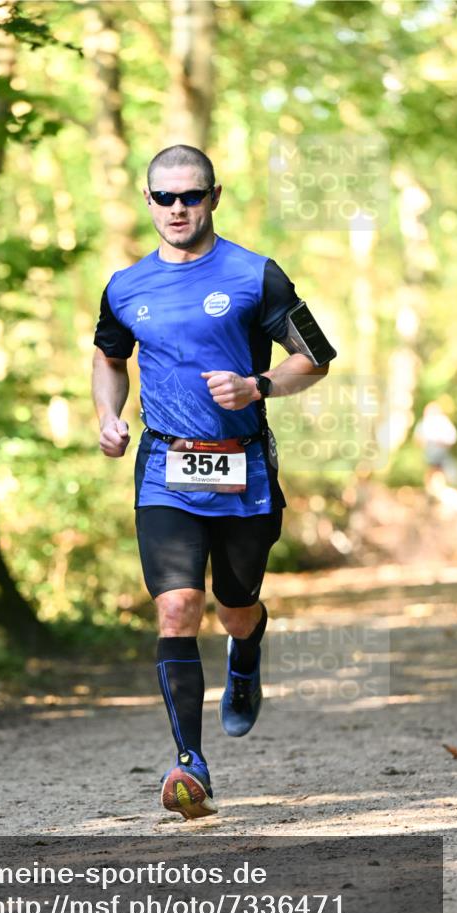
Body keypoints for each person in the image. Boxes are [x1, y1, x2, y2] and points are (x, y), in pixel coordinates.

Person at [91, 145, 335, 820]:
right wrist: (107, 415)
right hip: (165, 469)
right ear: (147, 201)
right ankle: (189, 764)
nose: (177, 209)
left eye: (190, 196)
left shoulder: (256, 274)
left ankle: (246, 650)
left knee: (235, 604)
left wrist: (257, 385)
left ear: (213, 197)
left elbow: (315, 357)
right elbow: (109, 358)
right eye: (164, 197)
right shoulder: (124, 285)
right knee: (176, 607)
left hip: (243, 466)